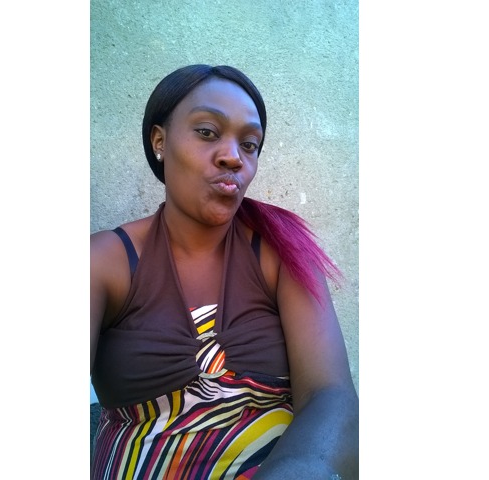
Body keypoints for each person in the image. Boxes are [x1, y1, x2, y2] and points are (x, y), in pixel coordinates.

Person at [90, 64, 358, 479]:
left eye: (249, 144)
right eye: (207, 132)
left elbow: (331, 396)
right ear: (159, 141)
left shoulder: (282, 252)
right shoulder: (105, 262)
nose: (233, 156)